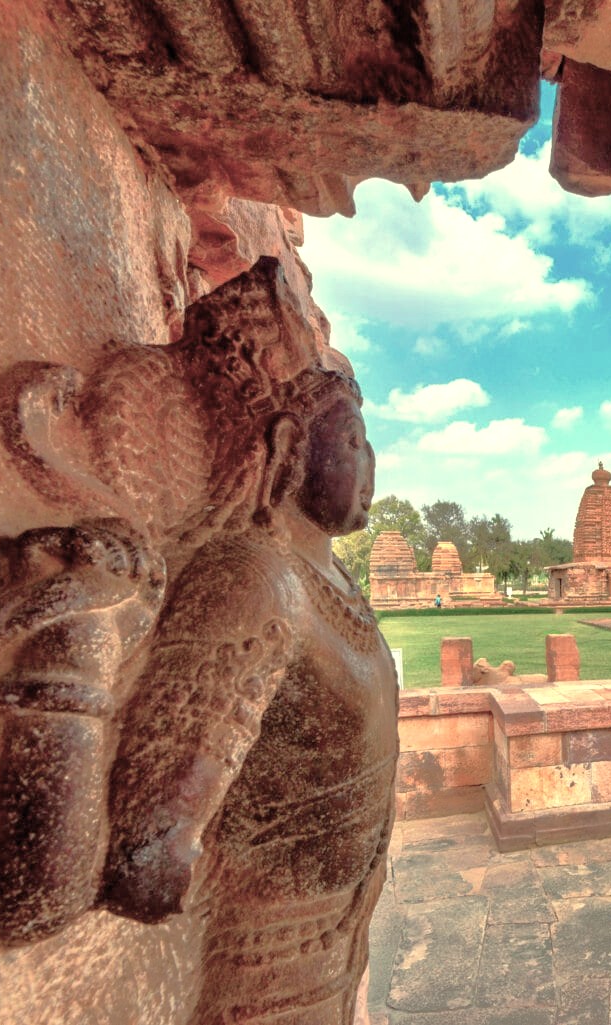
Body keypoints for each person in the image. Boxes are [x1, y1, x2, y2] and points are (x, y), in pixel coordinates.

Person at [102, 353, 395, 1025]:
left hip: (338, 941)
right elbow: (148, 850)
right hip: (265, 963)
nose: (370, 459)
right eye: (352, 439)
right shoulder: (253, 581)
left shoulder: (329, 582)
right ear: (288, 446)